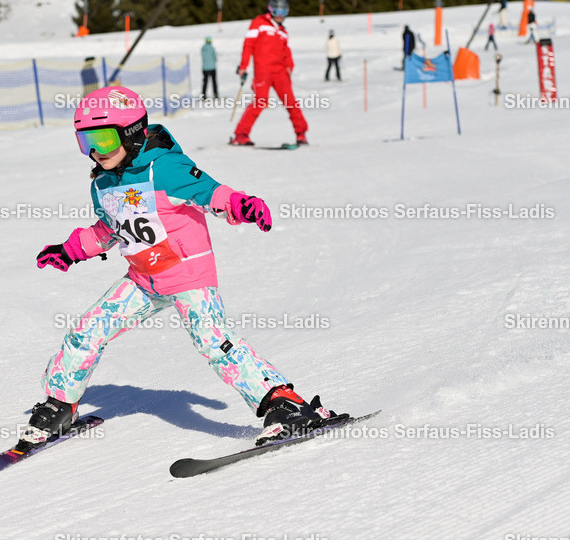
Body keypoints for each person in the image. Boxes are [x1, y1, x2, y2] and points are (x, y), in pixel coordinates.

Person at [22, 85, 340, 451]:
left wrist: (242, 204)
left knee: (214, 342)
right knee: (87, 331)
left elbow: (210, 193)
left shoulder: (166, 167)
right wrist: (71, 250)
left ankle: (286, 406)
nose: (95, 151)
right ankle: (61, 404)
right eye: (86, 141)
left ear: (131, 133)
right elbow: (109, 229)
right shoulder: (104, 183)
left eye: (104, 140)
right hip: (143, 280)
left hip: (189, 276)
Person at [230, 0, 308, 147]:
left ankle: (301, 133)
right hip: (263, 71)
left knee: (290, 101)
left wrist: (290, 66)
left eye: (284, 12)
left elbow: (286, 51)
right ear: (271, 10)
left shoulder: (282, 31)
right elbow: (248, 45)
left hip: (280, 72)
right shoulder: (258, 24)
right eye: (277, 11)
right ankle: (241, 135)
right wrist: (243, 66)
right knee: (260, 101)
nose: (280, 15)